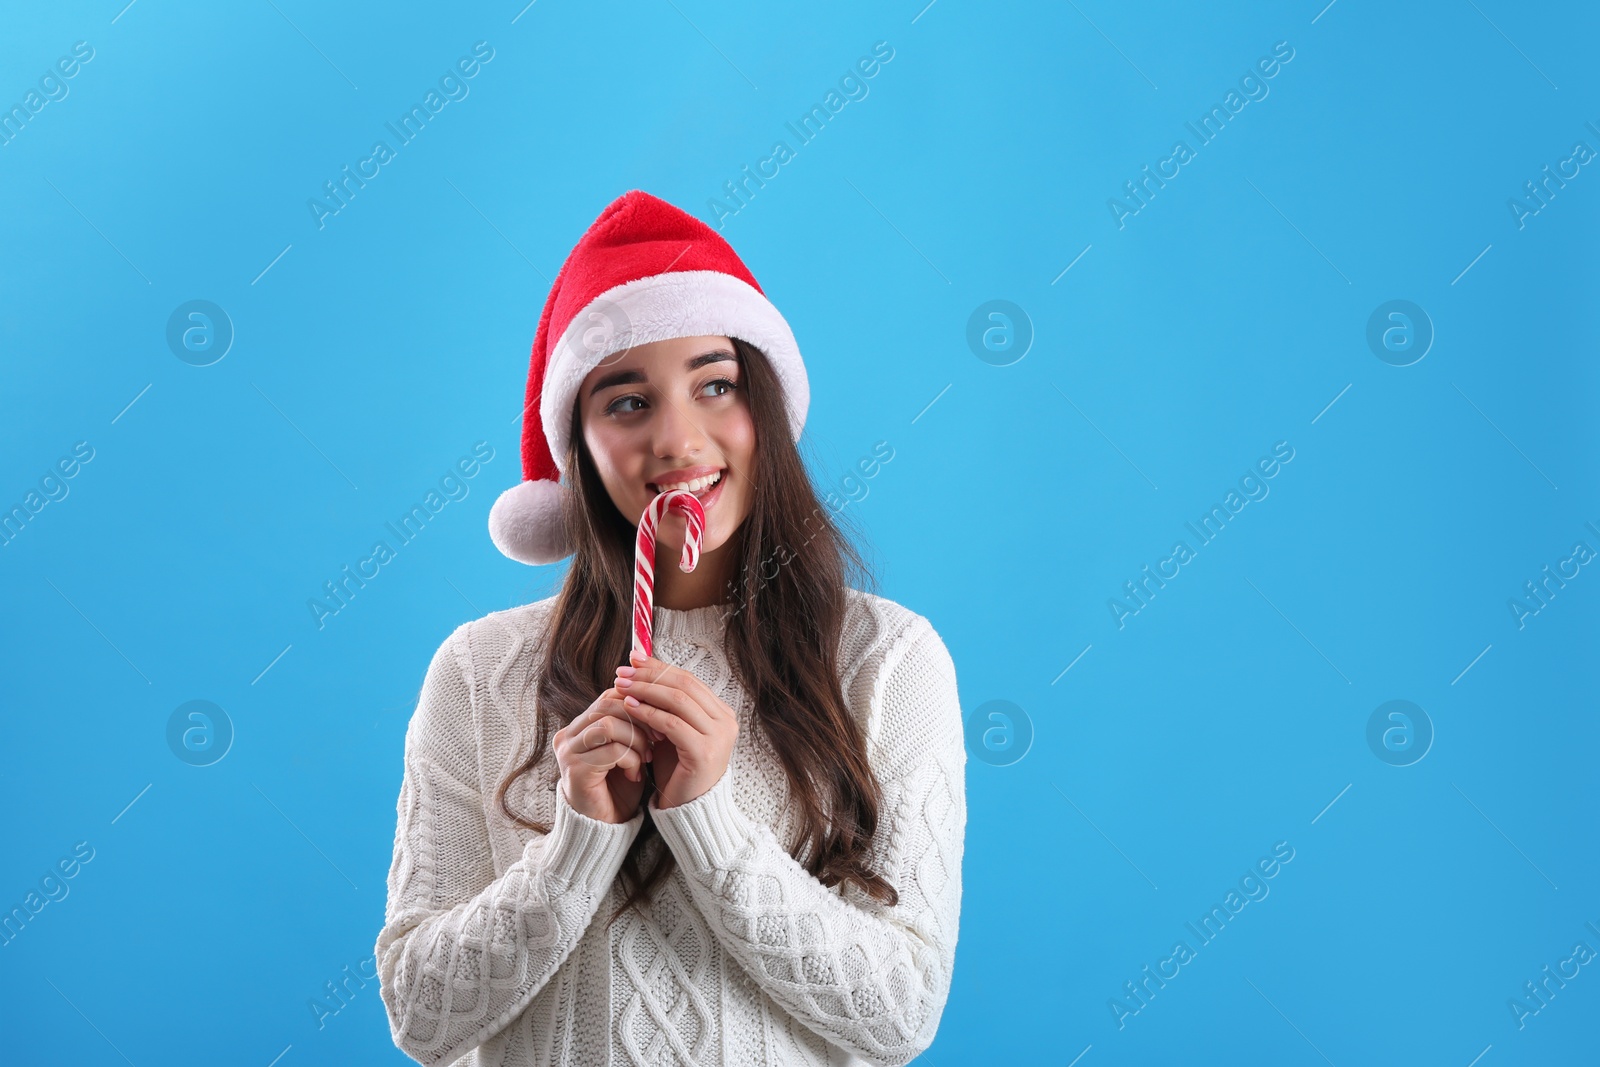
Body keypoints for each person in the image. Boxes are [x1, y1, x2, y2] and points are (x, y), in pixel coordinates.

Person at [373, 190, 966, 1066]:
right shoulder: (478, 669)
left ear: (765, 404)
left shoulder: (887, 660)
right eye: (626, 401)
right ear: (577, 443)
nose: (679, 440)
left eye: (715, 385)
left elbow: (900, 1014)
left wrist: (710, 820)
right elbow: (422, 1017)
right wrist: (580, 842)